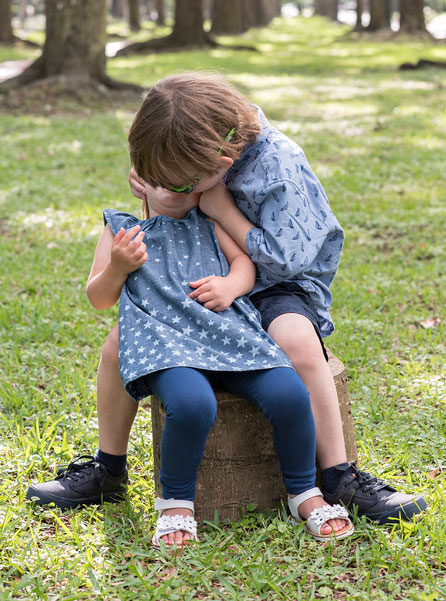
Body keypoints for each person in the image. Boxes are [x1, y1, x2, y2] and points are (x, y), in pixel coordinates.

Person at [27, 72, 426, 530]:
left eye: (183, 182)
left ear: (222, 158)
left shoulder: (280, 164)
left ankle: (337, 476)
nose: (178, 190)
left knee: (297, 341)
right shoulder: (193, 142)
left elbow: (287, 259)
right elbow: (169, 185)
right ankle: (107, 468)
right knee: (119, 343)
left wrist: (221, 212)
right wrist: (158, 181)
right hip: (202, 280)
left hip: (275, 282)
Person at [28, 169, 355, 547]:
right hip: (168, 345)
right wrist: (118, 267)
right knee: (191, 405)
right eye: (168, 179)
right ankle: (175, 503)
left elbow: (244, 265)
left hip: (230, 337)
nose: (180, 189)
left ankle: (303, 492)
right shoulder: (122, 230)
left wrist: (232, 285)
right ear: (140, 179)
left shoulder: (210, 221)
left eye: (190, 181)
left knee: (291, 395)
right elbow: (99, 298)